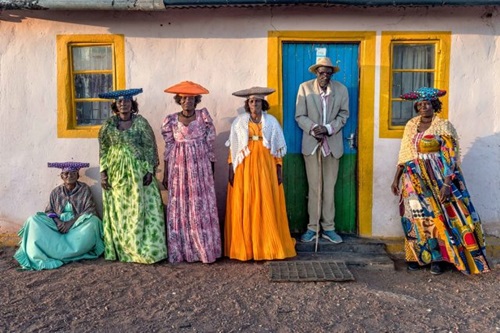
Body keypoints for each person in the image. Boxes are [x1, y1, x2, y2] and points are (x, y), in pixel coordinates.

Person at [391, 87, 490, 275]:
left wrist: (446, 184)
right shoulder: (411, 125)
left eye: (427, 104)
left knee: (444, 216)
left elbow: (450, 157)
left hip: (439, 177)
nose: (423, 107)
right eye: (420, 104)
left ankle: (442, 259)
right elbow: (404, 153)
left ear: (434, 105)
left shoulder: (444, 126)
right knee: (418, 217)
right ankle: (421, 257)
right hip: (415, 178)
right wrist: (396, 178)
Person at [225, 86, 296, 261]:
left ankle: (267, 246)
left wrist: (279, 168)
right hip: (244, 166)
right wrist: (230, 168)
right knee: (246, 202)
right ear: (247, 104)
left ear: (263, 103)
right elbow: (234, 147)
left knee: (266, 201)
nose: (254, 104)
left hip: (266, 166)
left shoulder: (271, 121)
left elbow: (278, 149)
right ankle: (245, 248)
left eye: (257, 101)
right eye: (251, 101)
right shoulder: (240, 122)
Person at [98, 88, 167, 264]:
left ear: (132, 104)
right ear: (115, 105)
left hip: (138, 172)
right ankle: (123, 249)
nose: (124, 104)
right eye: (120, 102)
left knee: (140, 208)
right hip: (116, 172)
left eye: (127, 101)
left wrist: (150, 170)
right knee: (121, 210)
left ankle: (141, 248)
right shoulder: (108, 125)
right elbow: (104, 149)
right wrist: (103, 173)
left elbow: (150, 146)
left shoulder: (141, 123)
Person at [161, 81, 221, 264]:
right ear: (179, 100)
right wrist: (165, 173)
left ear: (196, 100)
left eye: (191, 98)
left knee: (200, 205)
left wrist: (211, 170)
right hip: (179, 168)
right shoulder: (170, 120)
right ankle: (182, 250)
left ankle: (202, 248)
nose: (188, 101)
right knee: (180, 204)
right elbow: (168, 147)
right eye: (184, 98)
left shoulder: (203, 117)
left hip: (200, 166)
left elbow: (210, 145)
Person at [295, 57, 349, 244]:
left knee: (329, 188)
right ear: (316, 73)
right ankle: (312, 228)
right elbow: (299, 115)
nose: (324, 76)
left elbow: (344, 115)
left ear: (332, 74)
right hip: (312, 144)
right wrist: (313, 128)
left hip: (332, 144)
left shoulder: (341, 90)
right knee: (315, 187)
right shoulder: (305, 88)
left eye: (328, 73)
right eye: (321, 72)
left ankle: (329, 227)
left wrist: (328, 128)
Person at [14, 162, 104, 270]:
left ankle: (71, 252)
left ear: (78, 176)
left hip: (77, 225)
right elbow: (49, 211)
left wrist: (70, 223)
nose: (69, 176)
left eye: (72, 173)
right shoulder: (56, 191)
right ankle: (49, 253)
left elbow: (90, 209)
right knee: (32, 220)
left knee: (94, 221)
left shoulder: (84, 189)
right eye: (66, 173)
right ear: (61, 176)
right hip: (58, 225)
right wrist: (58, 222)